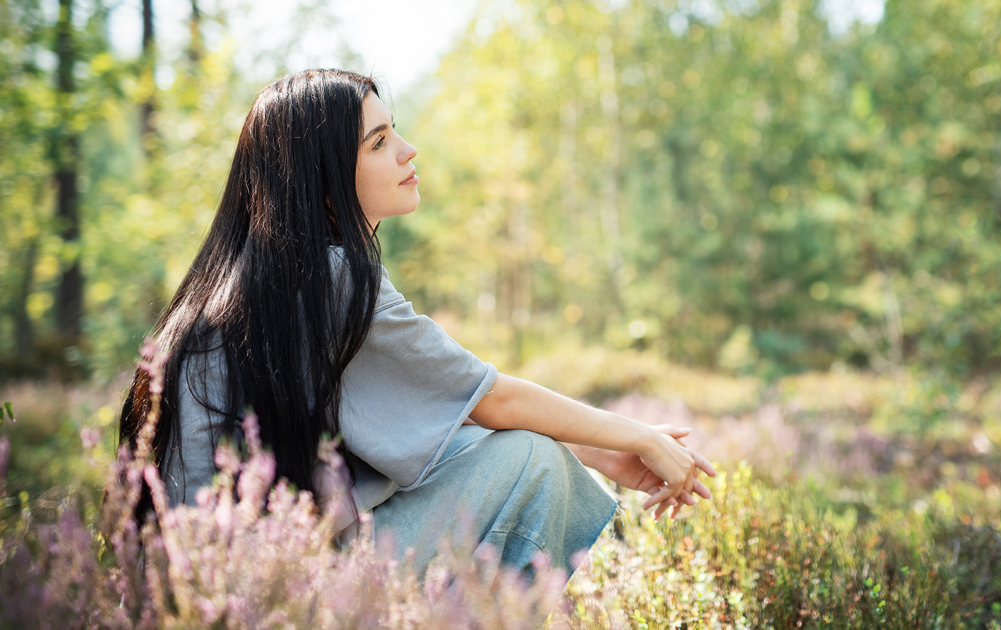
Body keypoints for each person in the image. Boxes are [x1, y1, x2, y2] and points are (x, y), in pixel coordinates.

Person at [118, 69, 714, 578]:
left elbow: (441, 416)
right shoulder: (330, 275)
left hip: (211, 582)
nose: (408, 150)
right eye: (378, 142)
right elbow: (492, 399)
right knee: (532, 460)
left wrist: (601, 454)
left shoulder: (255, 281)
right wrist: (640, 438)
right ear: (322, 184)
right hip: (279, 585)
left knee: (514, 450)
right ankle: (615, 593)